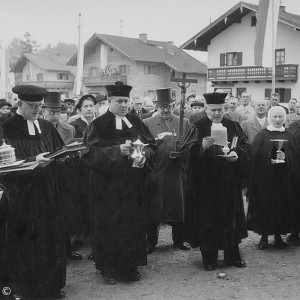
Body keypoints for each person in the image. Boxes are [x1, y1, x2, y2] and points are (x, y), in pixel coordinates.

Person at [82, 81, 157, 284]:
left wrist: (144, 156)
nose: (124, 105)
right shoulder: (98, 125)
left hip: (132, 186)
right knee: (110, 226)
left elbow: (151, 146)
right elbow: (88, 154)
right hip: (107, 188)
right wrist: (117, 152)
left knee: (132, 224)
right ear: (109, 101)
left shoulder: (136, 121)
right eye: (119, 101)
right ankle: (109, 268)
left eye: (126, 101)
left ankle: (130, 267)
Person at [0, 85, 66, 299]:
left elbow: (58, 151)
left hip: (48, 192)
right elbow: (5, 166)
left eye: (40, 106)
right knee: (26, 241)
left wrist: (65, 157)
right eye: (33, 106)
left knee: (50, 238)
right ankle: (27, 290)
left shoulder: (47, 126)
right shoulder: (6, 128)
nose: (37, 110)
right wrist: (32, 162)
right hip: (22, 195)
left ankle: (51, 287)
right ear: (20, 103)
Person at [180, 92, 249, 271]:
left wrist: (237, 155)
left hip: (229, 181)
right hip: (205, 183)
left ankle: (232, 256)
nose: (217, 113)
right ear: (206, 109)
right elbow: (185, 152)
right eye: (213, 110)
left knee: (230, 218)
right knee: (208, 221)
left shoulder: (233, 125)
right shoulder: (197, 126)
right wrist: (201, 147)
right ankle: (209, 257)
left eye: (220, 109)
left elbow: (244, 147)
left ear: (225, 108)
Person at [143, 88, 191, 254]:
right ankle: (151, 241)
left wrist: (182, 150)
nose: (165, 110)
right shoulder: (147, 123)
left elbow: (191, 143)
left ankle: (178, 240)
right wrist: (157, 141)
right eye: (162, 106)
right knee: (154, 207)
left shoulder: (183, 121)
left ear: (174, 105)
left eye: (169, 106)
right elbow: (143, 145)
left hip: (176, 170)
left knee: (177, 205)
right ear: (157, 106)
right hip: (156, 169)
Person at [247, 106, 299, 250]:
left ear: (284, 118)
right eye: (275, 117)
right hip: (265, 180)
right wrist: (268, 158)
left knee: (281, 207)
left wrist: (286, 157)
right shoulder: (262, 135)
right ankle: (264, 237)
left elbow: (296, 158)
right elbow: (255, 157)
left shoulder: (290, 135)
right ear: (270, 118)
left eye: (280, 117)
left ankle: (278, 236)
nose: (277, 120)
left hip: (284, 180)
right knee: (265, 206)